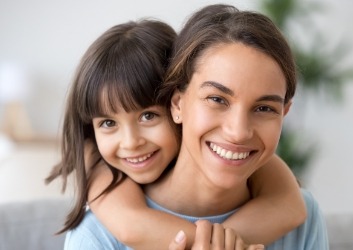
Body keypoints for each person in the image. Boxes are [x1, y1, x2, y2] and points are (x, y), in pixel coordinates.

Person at [46, 15, 307, 250]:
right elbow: (129, 226)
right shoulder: (100, 228)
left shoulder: (291, 203)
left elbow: (291, 206)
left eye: (148, 116)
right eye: (216, 99)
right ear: (178, 104)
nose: (131, 142)